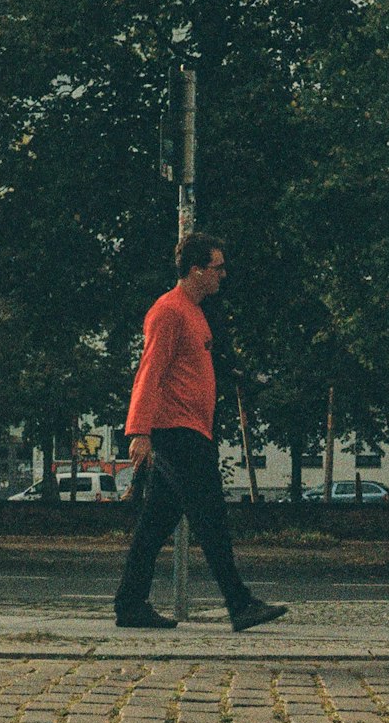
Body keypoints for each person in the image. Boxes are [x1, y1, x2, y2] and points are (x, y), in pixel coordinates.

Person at [114, 233, 287, 632]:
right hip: (177, 430)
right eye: (217, 267)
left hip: (192, 427)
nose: (223, 275)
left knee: (154, 525)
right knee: (211, 518)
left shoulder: (196, 311)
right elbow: (150, 372)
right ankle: (240, 603)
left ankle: (129, 603)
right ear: (196, 270)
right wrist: (139, 431)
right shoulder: (169, 312)